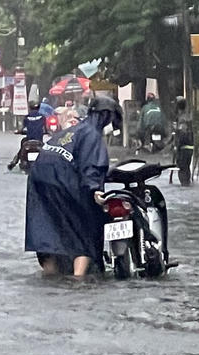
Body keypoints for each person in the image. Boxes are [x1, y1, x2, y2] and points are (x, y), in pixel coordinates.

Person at [25, 93, 123, 277]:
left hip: (38, 176)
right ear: (106, 117)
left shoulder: (74, 130)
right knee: (85, 226)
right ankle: (78, 279)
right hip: (60, 176)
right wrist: (95, 191)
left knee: (48, 229)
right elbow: (92, 166)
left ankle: (51, 275)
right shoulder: (92, 135)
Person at [8, 99, 50, 170]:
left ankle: (14, 162)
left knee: (22, 145)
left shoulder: (26, 117)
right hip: (39, 141)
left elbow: (22, 129)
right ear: (39, 108)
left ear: (30, 108)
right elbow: (45, 129)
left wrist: (18, 132)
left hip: (28, 140)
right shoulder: (42, 117)